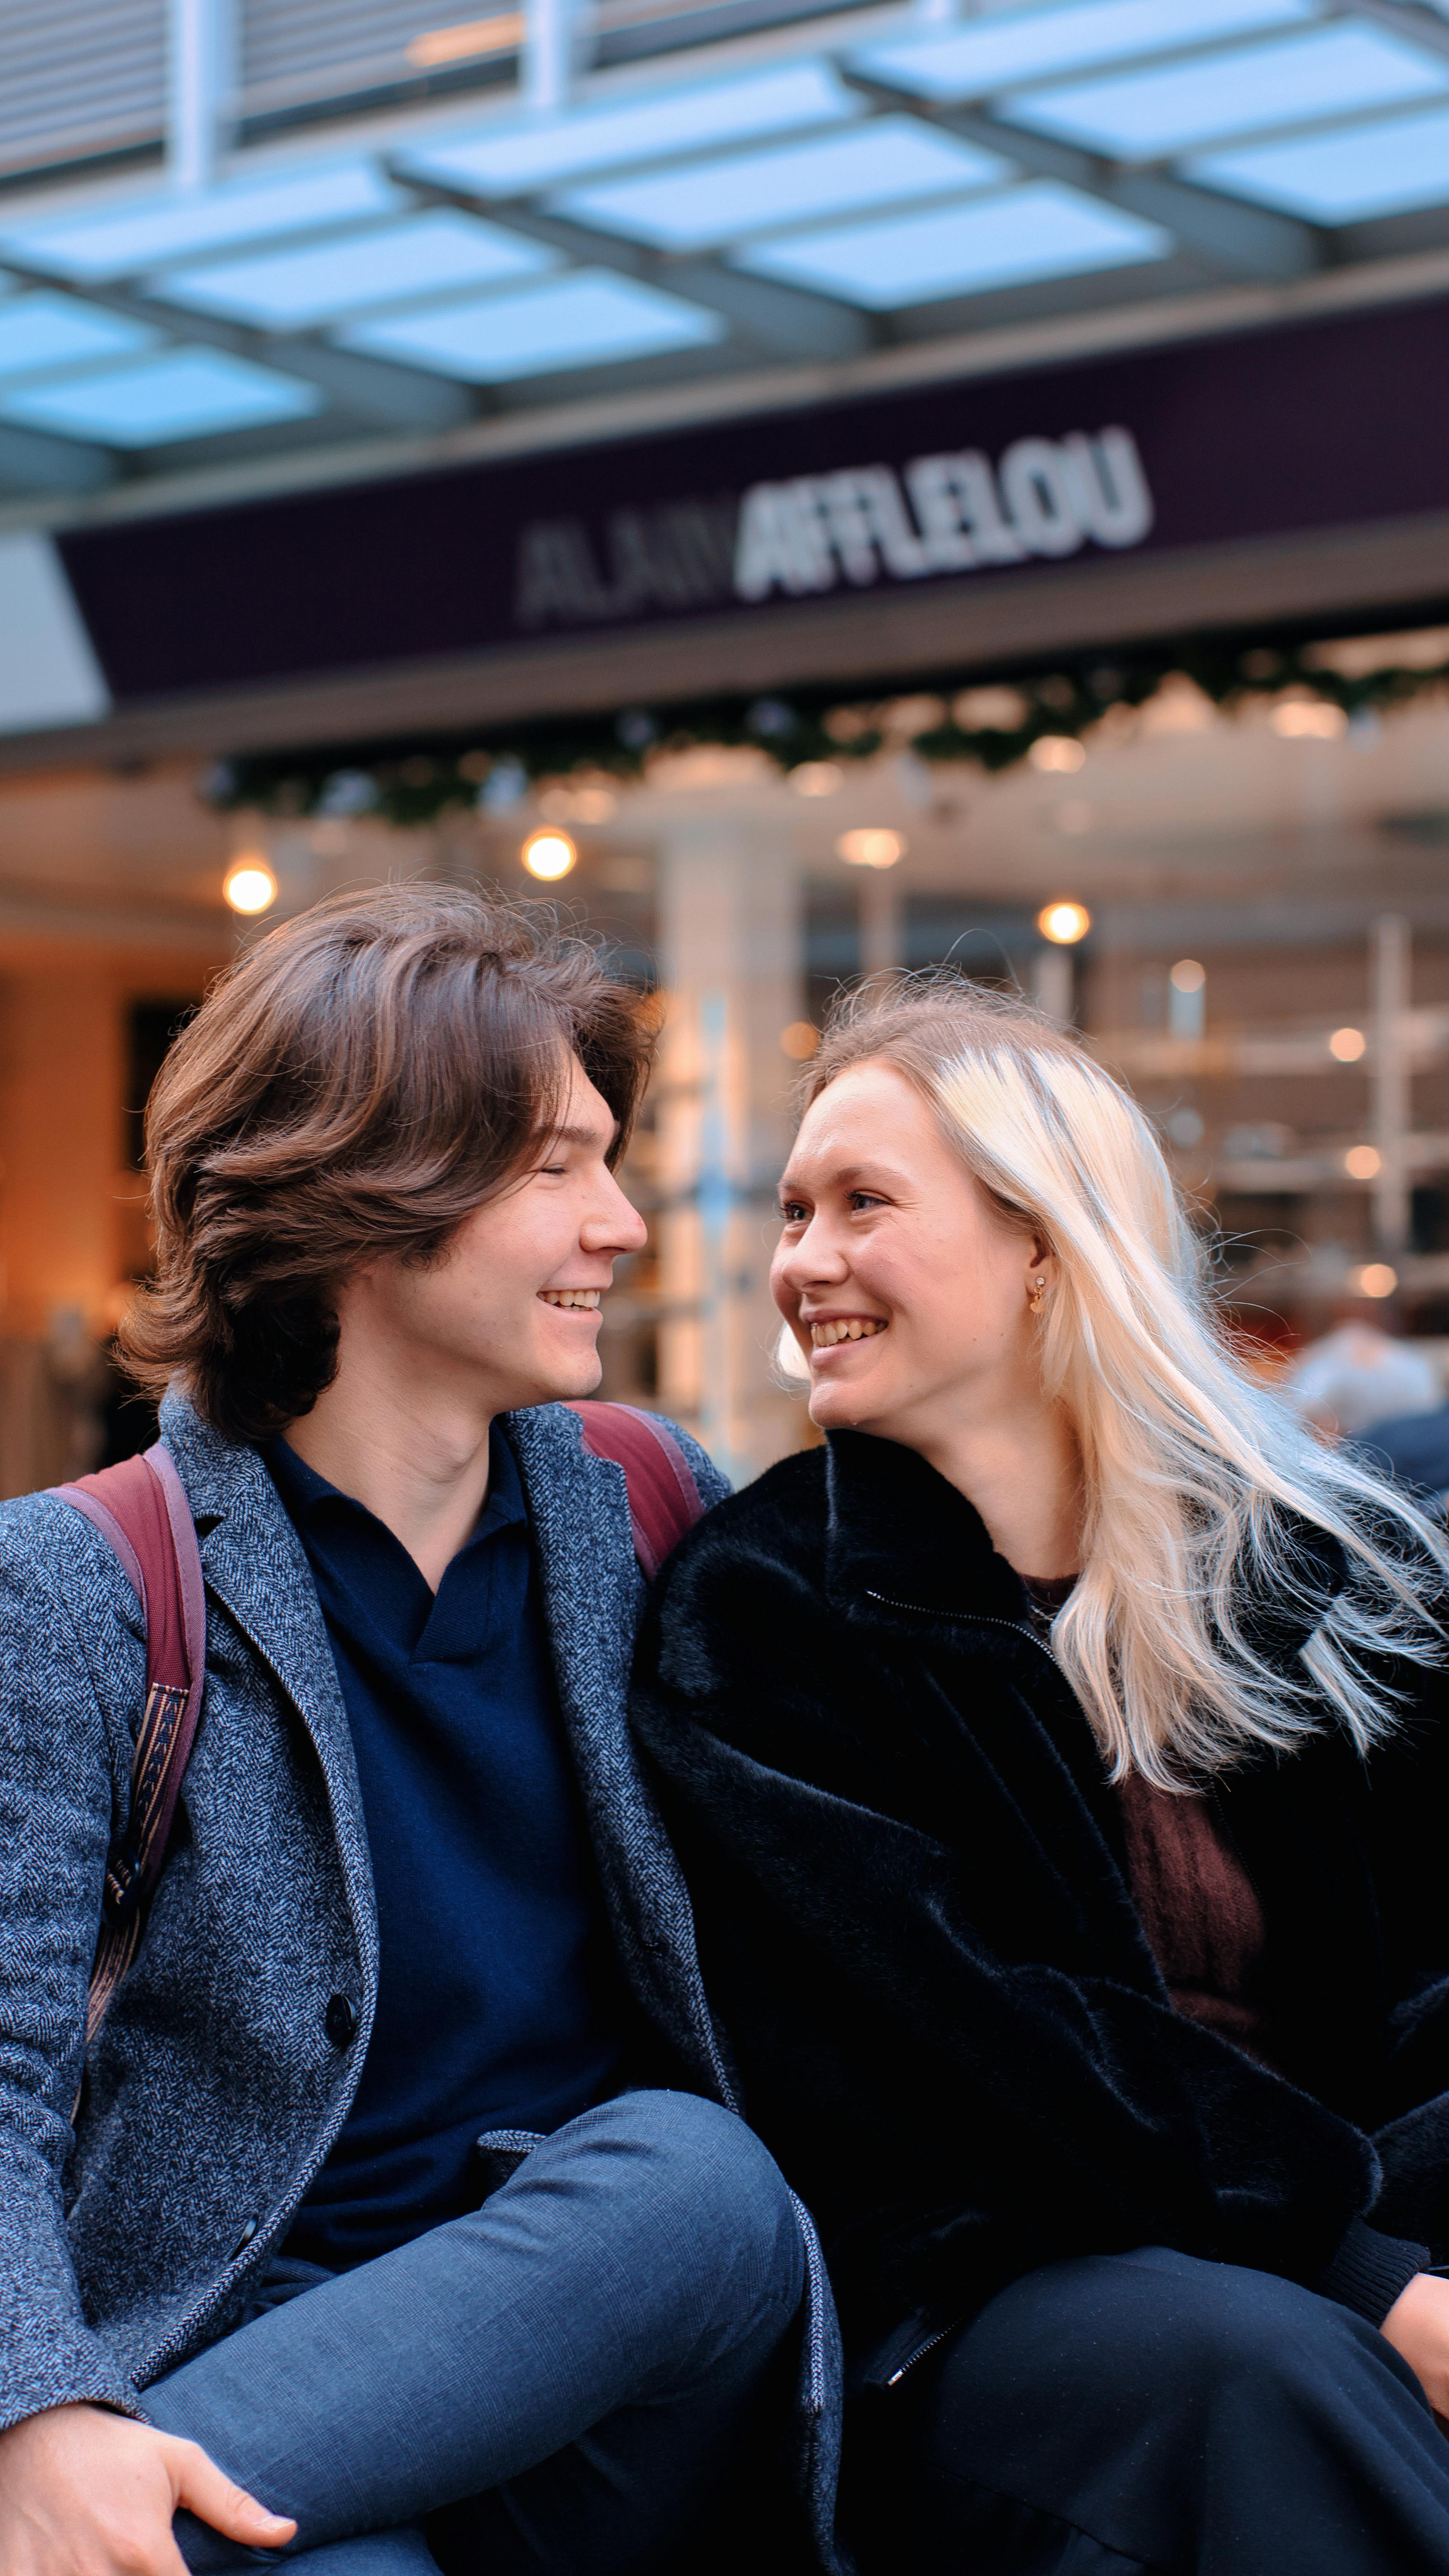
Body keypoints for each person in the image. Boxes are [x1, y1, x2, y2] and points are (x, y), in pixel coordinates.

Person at [0, 886, 809, 2576]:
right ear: (365, 1189)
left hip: (622, 2372)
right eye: (555, 1168)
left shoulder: (657, 1510)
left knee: (688, 2174)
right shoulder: (79, 1588)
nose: (626, 1224)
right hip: (256, 2355)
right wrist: (41, 2414)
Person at [630, 974, 1449, 2576]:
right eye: (794, 1213)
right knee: (1261, 2377)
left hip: (1329, 2223)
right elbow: (973, 2043)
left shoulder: (1295, 1579)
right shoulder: (771, 1608)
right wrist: (1364, 2274)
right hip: (988, 2284)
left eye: (863, 1204)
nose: (801, 1263)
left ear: (1039, 1248)